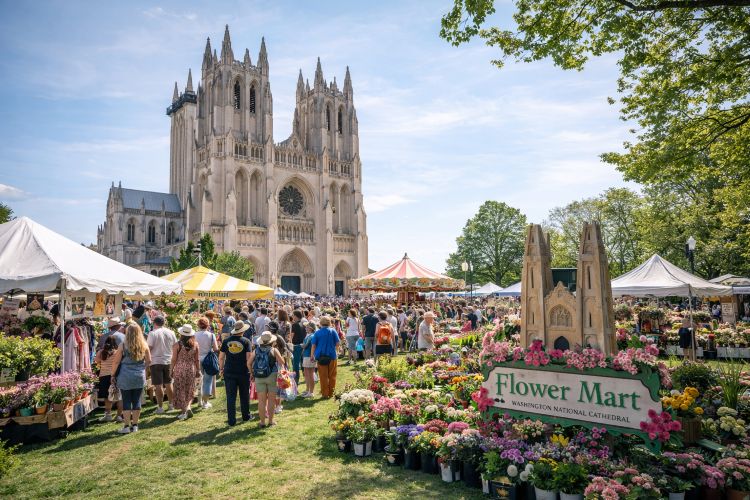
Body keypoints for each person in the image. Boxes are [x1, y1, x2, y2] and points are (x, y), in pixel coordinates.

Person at [111, 322, 151, 434]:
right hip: (139, 375)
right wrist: (142, 368)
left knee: (126, 400)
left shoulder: (123, 345)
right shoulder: (144, 345)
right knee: (137, 400)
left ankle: (126, 426)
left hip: (125, 375)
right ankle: (135, 425)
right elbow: (149, 361)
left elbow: (116, 361)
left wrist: (112, 375)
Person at [219, 321, 253, 426]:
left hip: (229, 371)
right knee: (244, 395)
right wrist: (251, 371)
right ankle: (246, 416)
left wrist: (221, 369)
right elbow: (248, 359)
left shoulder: (226, 341)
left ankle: (231, 420)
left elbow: (221, 357)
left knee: (230, 396)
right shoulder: (246, 341)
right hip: (243, 371)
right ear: (243, 330)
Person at [249, 332, 286, 427]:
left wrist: (252, 373)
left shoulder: (256, 350)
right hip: (272, 376)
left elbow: (248, 363)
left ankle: (262, 422)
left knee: (261, 401)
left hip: (259, 376)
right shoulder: (274, 350)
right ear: (272, 341)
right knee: (271, 400)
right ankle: (270, 421)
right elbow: (282, 362)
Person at [147, 316, 176, 414]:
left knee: (158, 385)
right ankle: (171, 405)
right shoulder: (171, 332)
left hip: (156, 361)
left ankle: (160, 407)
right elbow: (175, 346)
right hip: (168, 360)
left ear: (154, 323)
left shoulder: (152, 333)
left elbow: (149, 348)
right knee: (169, 383)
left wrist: (145, 360)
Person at [171, 325, 201, 420]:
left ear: (181, 334)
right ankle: (187, 408)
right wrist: (198, 370)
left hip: (180, 369)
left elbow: (173, 359)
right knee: (189, 389)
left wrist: (171, 369)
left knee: (180, 389)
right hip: (191, 368)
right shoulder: (195, 344)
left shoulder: (177, 345)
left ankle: (184, 411)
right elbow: (197, 360)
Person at [94, 335, 122, 423]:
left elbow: (96, 361)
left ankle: (108, 415)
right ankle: (119, 415)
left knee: (107, 397)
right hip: (116, 375)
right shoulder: (118, 352)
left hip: (104, 376)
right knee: (119, 396)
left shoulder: (101, 352)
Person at [311, 316, 339, 398]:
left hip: (320, 356)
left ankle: (324, 393)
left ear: (320, 323)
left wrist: (312, 355)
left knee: (323, 377)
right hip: (332, 355)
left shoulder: (317, 332)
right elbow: (337, 343)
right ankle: (331, 392)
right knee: (332, 375)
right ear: (329, 322)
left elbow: (313, 345)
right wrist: (336, 350)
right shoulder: (333, 331)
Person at [195, 317, 219, 409]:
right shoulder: (211, 335)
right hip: (208, 359)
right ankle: (205, 402)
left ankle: (199, 401)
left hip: (197, 359)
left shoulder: (194, 334)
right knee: (207, 381)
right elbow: (216, 348)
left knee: (198, 380)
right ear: (207, 325)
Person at [300, 321, 317, 398]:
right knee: (307, 374)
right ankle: (308, 390)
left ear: (310, 328)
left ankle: (311, 392)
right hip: (306, 356)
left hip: (309, 356)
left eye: (307, 327)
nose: (305, 328)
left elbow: (305, 346)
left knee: (310, 374)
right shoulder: (309, 335)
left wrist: (298, 346)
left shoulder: (311, 336)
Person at [290, 310, 306, 383]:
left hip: (296, 346)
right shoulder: (302, 324)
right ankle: (304, 377)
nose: (292, 316)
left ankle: (296, 380)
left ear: (295, 316)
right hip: (302, 345)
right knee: (302, 363)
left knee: (295, 364)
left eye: (293, 315)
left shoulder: (295, 325)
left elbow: (291, 336)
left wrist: (289, 343)